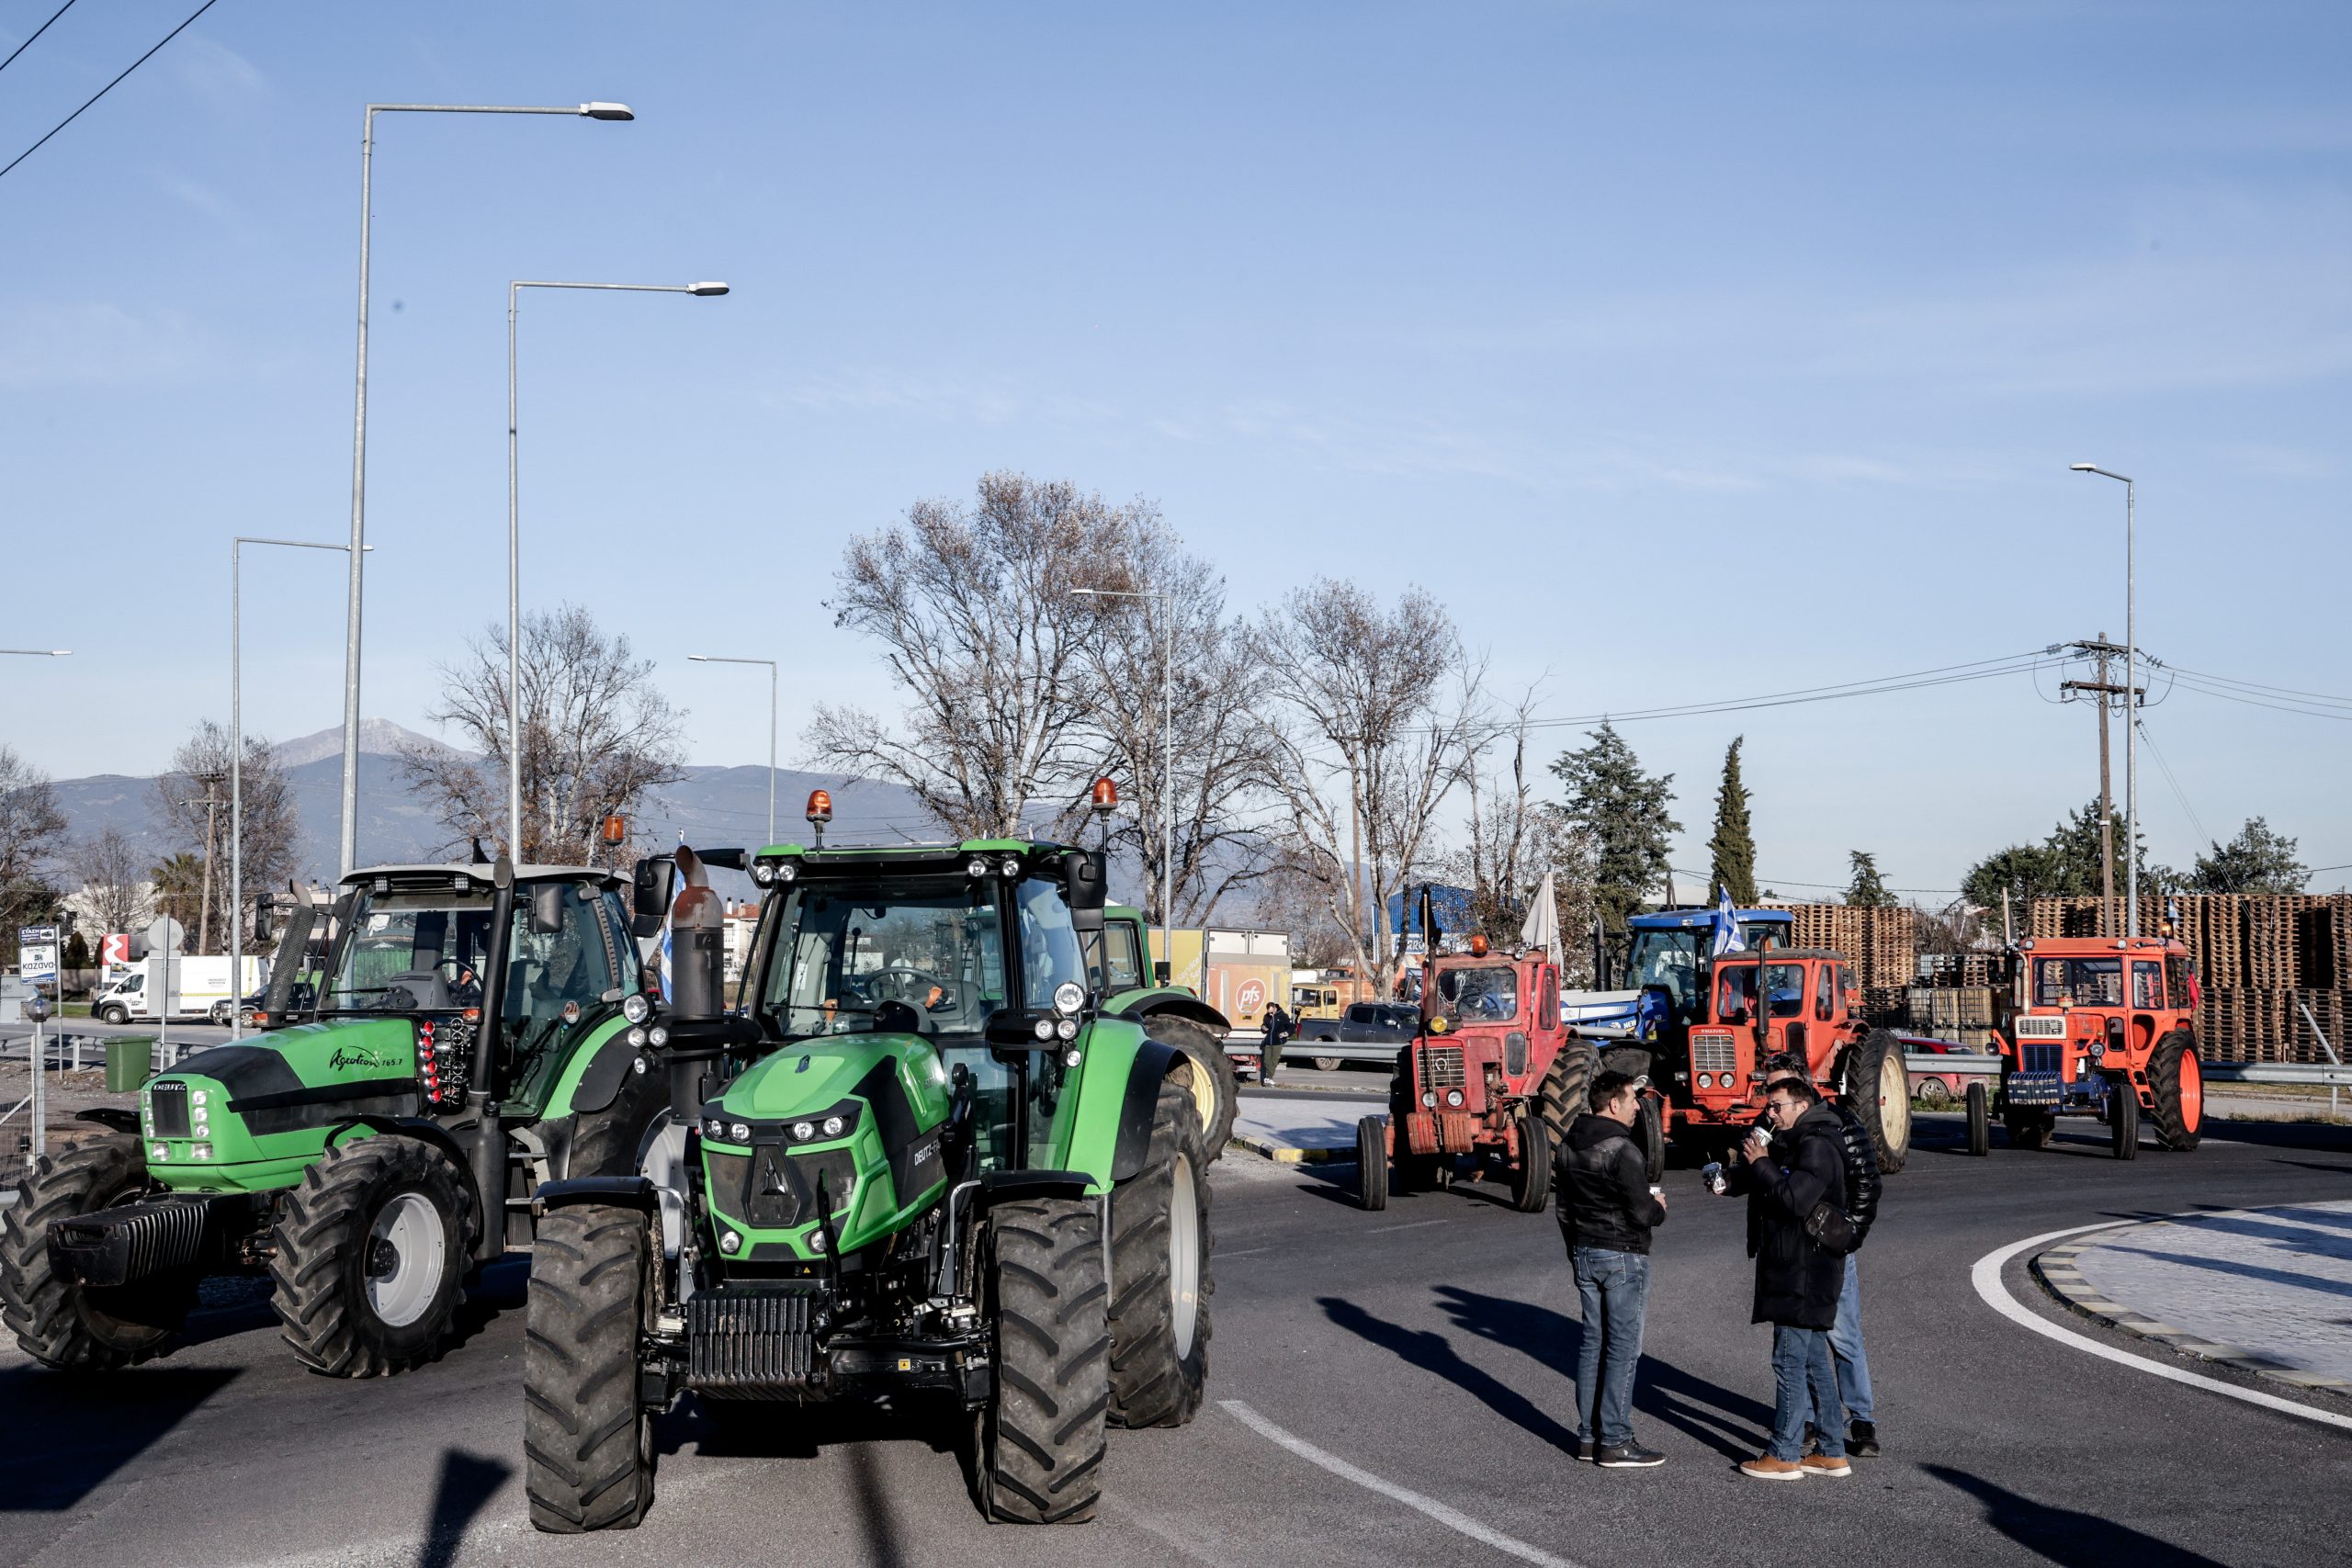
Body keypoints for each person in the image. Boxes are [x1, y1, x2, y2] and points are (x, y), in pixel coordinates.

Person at [1723, 1077, 1850, 1481]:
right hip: (1801, 1265)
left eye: (1777, 1106)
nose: (1770, 1113)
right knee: (1812, 1362)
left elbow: (1793, 1199)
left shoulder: (1817, 1145)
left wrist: (1761, 1161)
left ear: (1801, 1105)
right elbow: (1771, 1182)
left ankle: (1784, 1453)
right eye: (1769, 1106)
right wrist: (1735, 1178)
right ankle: (1831, 1450)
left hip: (1803, 1269)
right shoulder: (1798, 1140)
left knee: (1789, 1361)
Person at [1763, 1063, 1881, 1460]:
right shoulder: (1776, 1126)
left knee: (1842, 1337)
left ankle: (1861, 1420)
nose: (1769, 1105)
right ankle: (1813, 1425)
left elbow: (1867, 1182)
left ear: (1802, 1090)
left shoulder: (1839, 1124)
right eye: (1768, 1091)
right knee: (1805, 1347)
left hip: (1829, 1247)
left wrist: (1849, 1236)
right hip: (1793, 1250)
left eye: (1778, 1091)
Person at [1556, 1069, 1668, 1467]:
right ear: (1614, 1103)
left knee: (1593, 1345)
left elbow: (1563, 1209)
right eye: (1632, 1099)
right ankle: (1616, 1441)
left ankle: (1589, 1438)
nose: (1638, 1107)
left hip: (1585, 1251)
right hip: (1622, 1254)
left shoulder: (1568, 1144)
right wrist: (1659, 1208)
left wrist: (1576, 1253)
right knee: (1622, 1349)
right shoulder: (1623, 1150)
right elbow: (1642, 1213)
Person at [1261, 1000, 1292, 1084]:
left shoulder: (1283, 1016)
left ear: (1275, 1008)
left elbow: (1291, 1027)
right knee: (1267, 1061)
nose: (1270, 1014)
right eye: (1269, 1012)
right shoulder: (1266, 1016)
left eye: (1271, 1012)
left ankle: (1269, 1078)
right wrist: (1263, 1028)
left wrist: (1286, 1033)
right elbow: (1264, 1026)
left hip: (1278, 1042)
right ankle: (1269, 1079)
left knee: (1274, 1061)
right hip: (1268, 1042)